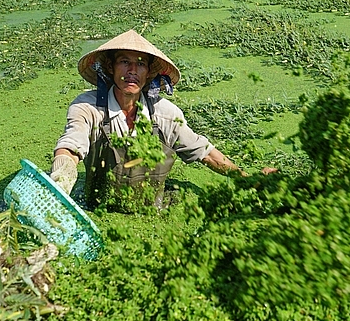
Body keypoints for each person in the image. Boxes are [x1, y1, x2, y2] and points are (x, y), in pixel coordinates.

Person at [50, 29, 272, 211]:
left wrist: (246, 179)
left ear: (149, 73)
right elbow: (71, 144)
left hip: (152, 211)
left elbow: (205, 153)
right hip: (96, 208)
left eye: (140, 64)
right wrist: (61, 180)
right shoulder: (89, 108)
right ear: (110, 67)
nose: (132, 71)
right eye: (124, 62)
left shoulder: (165, 114)